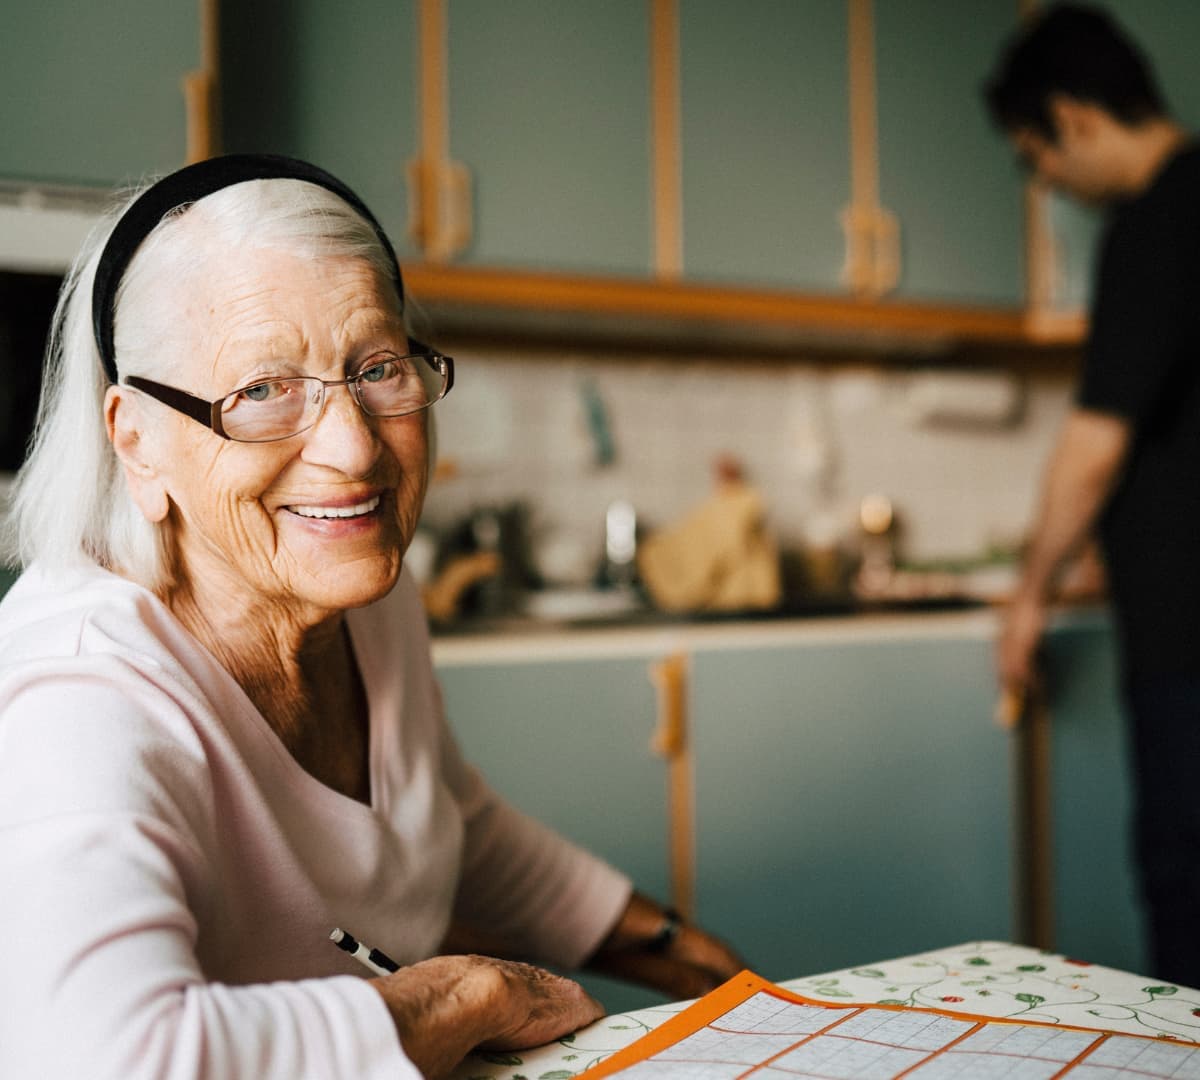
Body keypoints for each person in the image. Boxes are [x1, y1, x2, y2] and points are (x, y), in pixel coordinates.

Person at [0, 154, 744, 1079]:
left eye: (379, 368)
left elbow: (445, 821)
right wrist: (467, 994)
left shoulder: (361, 598)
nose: (353, 449)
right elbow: (106, 1062)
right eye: (263, 391)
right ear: (137, 443)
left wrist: (687, 952)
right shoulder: (78, 697)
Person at [984, 4, 1200, 987]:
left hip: (1191, 644)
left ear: (1072, 117)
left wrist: (1030, 590)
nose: (1047, 184)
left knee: (1189, 891)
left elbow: (1094, 447)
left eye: (1037, 156)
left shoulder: (1158, 219)